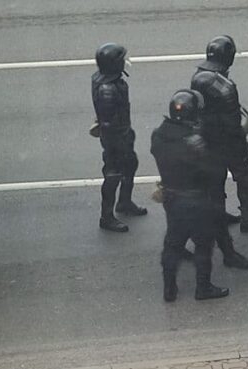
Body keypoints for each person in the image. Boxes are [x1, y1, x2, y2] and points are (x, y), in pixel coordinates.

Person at [151, 90, 229, 302]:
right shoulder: (195, 142)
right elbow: (211, 171)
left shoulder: (158, 135)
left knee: (173, 244)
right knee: (204, 244)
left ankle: (169, 289)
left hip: (171, 198)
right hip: (196, 200)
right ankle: (203, 288)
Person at [192, 35, 248, 234]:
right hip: (228, 141)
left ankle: (218, 215)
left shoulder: (198, 77)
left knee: (216, 179)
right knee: (244, 178)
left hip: (207, 138)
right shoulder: (225, 87)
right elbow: (232, 122)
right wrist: (242, 145)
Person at [92, 43, 146, 232]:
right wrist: (121, 141)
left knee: (131, 164)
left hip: (122, 134)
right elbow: (109, 122)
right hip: (116, 139)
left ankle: (124, 202)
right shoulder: (108, 89)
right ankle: (106, 217)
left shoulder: (110, 82)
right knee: (113, 174)